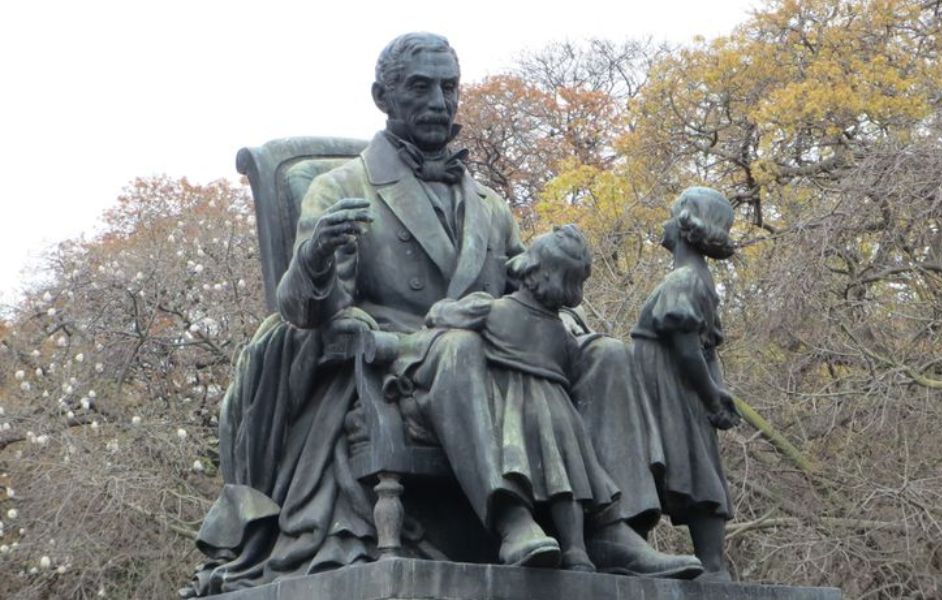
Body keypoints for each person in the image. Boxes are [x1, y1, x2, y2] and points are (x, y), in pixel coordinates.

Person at [184, 33, 699, 597]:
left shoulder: (490, 205)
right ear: (383, 95)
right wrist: (313, 257)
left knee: (608, 355)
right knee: (458, 347)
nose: (438, 101)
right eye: (420, 87)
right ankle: (510, 519)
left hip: (500, 347)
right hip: (400, 357)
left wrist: (570, 327)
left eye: (448, 87)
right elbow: (305, 315)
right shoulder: (341, 188)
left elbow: (526, 287)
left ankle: (610, 528)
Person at [475, 225, 618, 572]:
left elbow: (444, 316)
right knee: (566, 483)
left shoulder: (493, 311)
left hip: (517, 408)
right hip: (560, 410)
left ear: (531, 266)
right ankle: (577, 551)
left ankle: (538, 528)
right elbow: (572, 361)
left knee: (535, 474)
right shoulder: (561, 328)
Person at [630, 186, 742, 581]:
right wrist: (717, 391)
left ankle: (712, 565)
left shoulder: (683, 280)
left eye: (669, 213)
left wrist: (712, 397)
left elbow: (690, 349)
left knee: (683, 462)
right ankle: (710, 564)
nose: (663, 222)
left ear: (683, 224)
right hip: (678, 387)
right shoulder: (700, 279)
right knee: (688, 462)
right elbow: (708, 350)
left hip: (668, 388)